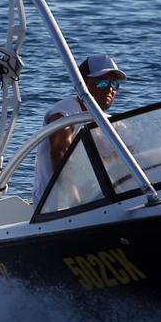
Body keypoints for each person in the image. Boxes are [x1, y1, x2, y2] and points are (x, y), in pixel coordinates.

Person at [32, 53, 126, 207]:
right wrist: (77, 200)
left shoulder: (113, 124)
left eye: (114, 85)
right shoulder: (64, 113)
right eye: (102, 83)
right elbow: (61, 154)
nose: (109, 89)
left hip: (99, 201)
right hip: (56, 208)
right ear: (82, 84)